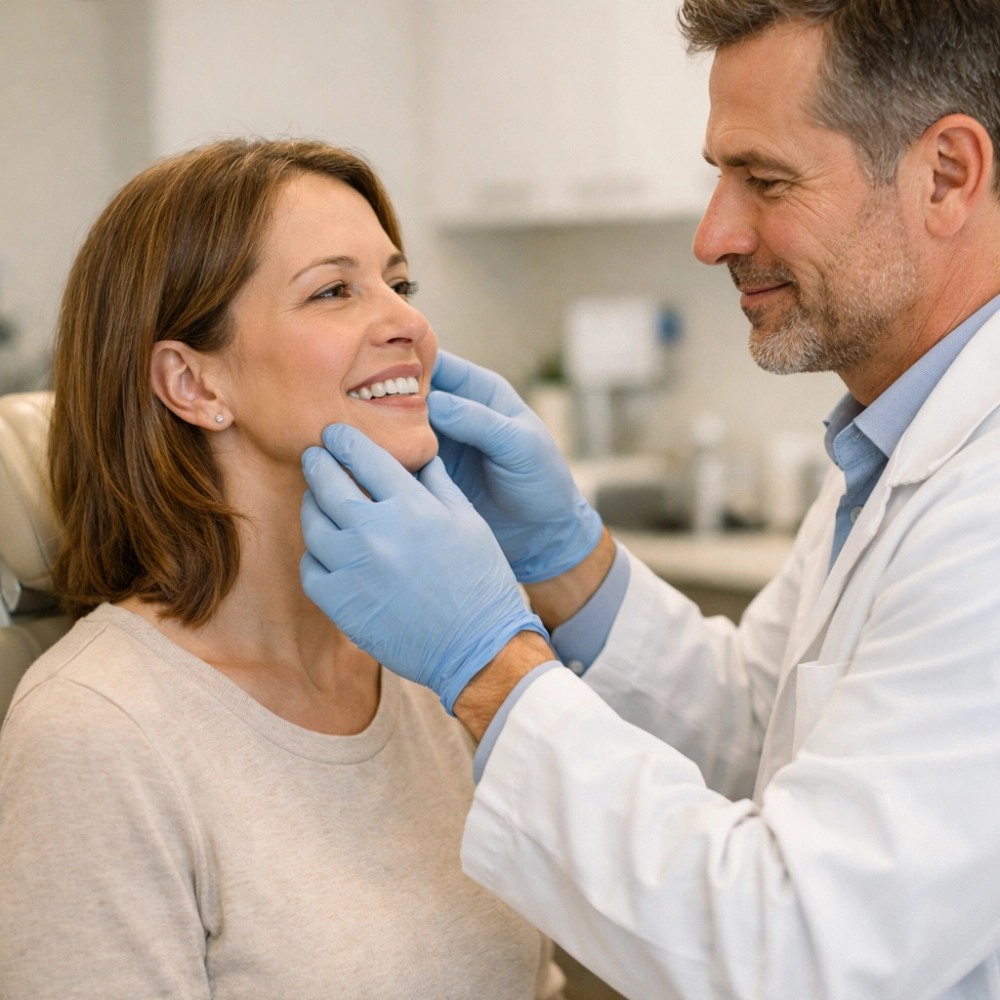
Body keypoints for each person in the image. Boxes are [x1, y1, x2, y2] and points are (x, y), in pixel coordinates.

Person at [297, 2, 1000, 998]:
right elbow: (761, 731)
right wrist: (569, 565)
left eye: (764, 179)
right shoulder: (897, 440)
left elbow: (800, 949)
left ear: (947, 176)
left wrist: (488, 666)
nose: (713, 234)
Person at [0, 138, 564, 1000]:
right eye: (335, 290)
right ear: (191, 384)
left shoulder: (433, 665)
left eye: (399, 283)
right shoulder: (95, 733)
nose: (408, 323)